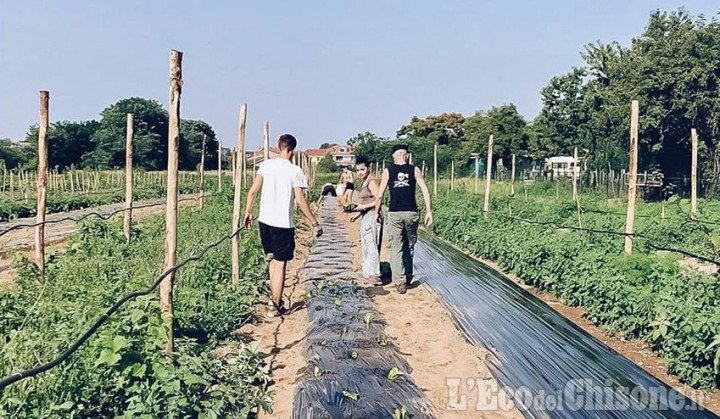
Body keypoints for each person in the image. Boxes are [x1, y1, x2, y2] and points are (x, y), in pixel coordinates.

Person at [244, 134, 323, 317]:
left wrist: (248, 211)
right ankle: (275, 306)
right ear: (292, 150)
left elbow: (253, 191)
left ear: (279, 147)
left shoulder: (265, 165)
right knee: (280, 264)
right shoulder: (294, 171)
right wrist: (314, 222)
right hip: (282, 224)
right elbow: (301, 201)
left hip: (264, 221)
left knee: (272, 260)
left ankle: (274, 299)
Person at [374, 144, 432, 294]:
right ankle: (408, 276)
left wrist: (376, 212)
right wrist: (429, 211)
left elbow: (380, 194)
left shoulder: (388, 171)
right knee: (409, 244)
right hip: (411, 213)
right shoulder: (415, 170)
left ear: (394, 156)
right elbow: (425, 190)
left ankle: (399, 281)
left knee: (396, 247)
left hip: (394, 213)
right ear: (406, 156)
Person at [351, 156, 382, 286]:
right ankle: (367, 273)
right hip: (366, 215)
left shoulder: (371, 182)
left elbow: (379, 199)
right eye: (358, 170)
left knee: (371, 244)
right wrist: (358, 214)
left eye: (362, 169)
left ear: (368, 168)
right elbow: (366, 201)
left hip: (372, 215)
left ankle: (374, 274)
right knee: (366, 244)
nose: (360, 172)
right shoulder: (364, 182)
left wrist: (363, 207)